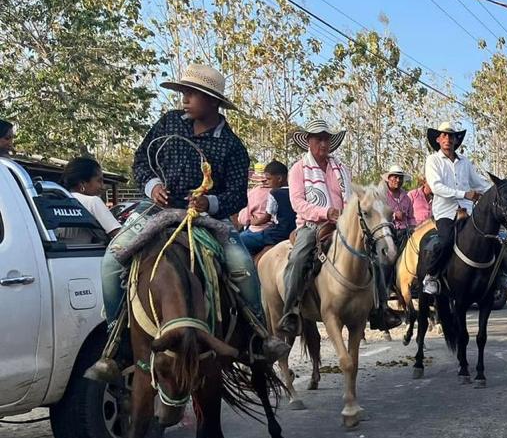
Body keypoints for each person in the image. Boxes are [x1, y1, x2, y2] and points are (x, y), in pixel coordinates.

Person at [87, 65, 287, 382]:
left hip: (208, 219)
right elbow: (141, 160)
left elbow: (237, 195)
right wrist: (152, 185)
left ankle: (259, 338)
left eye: (192, 94)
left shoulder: (232, 146)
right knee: (112, 261)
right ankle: (116, 345)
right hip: (157, 210)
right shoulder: (168, 123)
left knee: (243, 266)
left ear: (213, 101)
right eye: (183, 92)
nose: (184, 99)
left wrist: (210, 202)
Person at [279, 118, 353, 337]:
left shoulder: (342, 168)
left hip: (343, 224)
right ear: (308, 141)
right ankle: (290, 310)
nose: (323, 143)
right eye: (318, 139)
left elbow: (350, 198)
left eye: (326, 139)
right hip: (312, 225)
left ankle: (379, 306)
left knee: (372, 250)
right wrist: (325, 213)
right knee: (298, 258)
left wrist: (347, 216)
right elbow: (297, 203)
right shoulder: (298, 169)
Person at [421, 121, 491, 295]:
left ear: (456, 140)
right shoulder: (433, 160)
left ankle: (499, 275)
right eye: (444, 135)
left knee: (490, 237)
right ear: (438, 139)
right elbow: (436, 187)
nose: (448, 139)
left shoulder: (465, 162)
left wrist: (497, 189)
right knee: (445, 241)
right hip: (445, 212)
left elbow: (479, 183)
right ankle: (431, 275)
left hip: (468, 212)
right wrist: (464, 194)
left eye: (451, 136)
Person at [236, 161, 294, 256]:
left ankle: (248, 264)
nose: (267, 182)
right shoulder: (295, 191)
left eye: (269, 179)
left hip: (277, 233)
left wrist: (255, 222)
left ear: (279, 178)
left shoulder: (273, 193)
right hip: (293, 231)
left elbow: (266, 217)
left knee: (241, 239)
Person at [64, 155, 121, 237]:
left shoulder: (60, 200)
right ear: (82, 183)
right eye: (99, 181)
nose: (103, 186)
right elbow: (120, 235)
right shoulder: (92, 201)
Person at [383, 165, 414, 246]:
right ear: (389, 178)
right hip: (388, 232)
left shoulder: (406, 198)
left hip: (405, 233)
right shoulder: (383, 196)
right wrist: (394, 215)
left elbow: (411, 217)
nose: (398, 180)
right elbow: (380, 216)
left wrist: (413, 228)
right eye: (395, 177)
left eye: (400, 178)